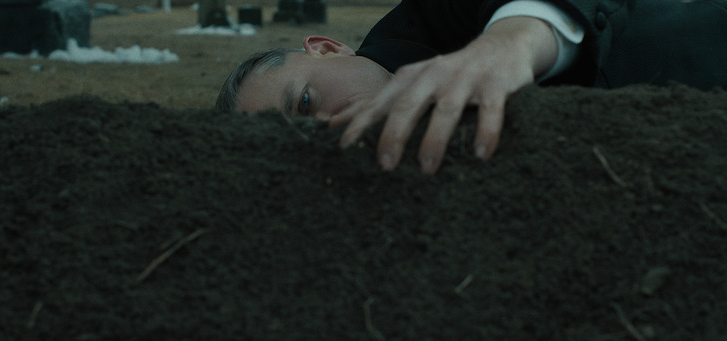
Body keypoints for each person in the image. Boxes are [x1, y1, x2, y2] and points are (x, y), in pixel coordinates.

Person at [216, 0, 727, 175]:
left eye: (306, 103)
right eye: (298, 138)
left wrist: (512, 41)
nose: (326, 127)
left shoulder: (428, 16)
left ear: (327, 48)